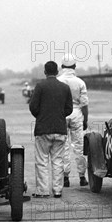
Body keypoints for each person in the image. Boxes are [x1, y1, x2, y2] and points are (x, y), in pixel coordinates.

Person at [29, 61, 73, 198]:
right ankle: (58, 190)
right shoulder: (65, 88)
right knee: (58, 161)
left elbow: (33, 107)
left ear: (45, 71)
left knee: (42, 161)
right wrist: (59, 116)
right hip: (60, 129)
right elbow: (69, 109)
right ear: (57, 71)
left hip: (43, 129)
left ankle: (43, 191)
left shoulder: (40, 86)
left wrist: (41, 116)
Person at [57, 53, 89, 187]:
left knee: (63, 147)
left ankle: (65, 177)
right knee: (79, 147)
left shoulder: (58, 81)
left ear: (62, 66)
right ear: (75, 66)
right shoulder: (80, 82)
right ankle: (82, 177)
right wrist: (85, 119)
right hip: (76, 113)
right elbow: (84, 104)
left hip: (62, 114)